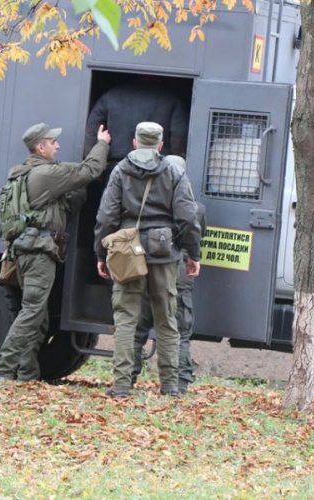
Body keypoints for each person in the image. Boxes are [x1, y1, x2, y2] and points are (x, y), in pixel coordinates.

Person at [0, 123, 111, 381]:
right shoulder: (45, 174)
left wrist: (77, 186)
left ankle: (27, 373)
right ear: (40, 147)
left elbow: (69, 204)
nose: (57, 146)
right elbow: (89, 169)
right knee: (32, 312)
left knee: (39, 316)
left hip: (26, 251)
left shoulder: (22, 175)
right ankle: (3, 371)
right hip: (38, 252)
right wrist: (102, 143)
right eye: (52, 142)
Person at [94, 122, 202, 398]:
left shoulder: (120, 171)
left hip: (128, 251)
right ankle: (170, 385)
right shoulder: (174, 172)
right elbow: (188, 217)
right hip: (164, 254)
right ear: (160, 145)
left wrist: (101, 252)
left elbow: (106, 216)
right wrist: (193, 254)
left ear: (134, 142)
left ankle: (120, 385)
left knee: (126, 319)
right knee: (167, 320)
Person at [131, 155, 207, 395]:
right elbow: (196, 235)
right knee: (180, 330)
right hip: (179, 273)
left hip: (149, 268)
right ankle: (179, 384)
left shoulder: (149, 204)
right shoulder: (197, 208)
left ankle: (126, 380)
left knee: (138, 328)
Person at [83, 79, 188, 163]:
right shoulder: (171, 99)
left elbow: (92, 131)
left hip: (116, 163)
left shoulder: (110, 96)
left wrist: (94, 163)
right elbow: (179, 136)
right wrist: (175, 161)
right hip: (156, 165)